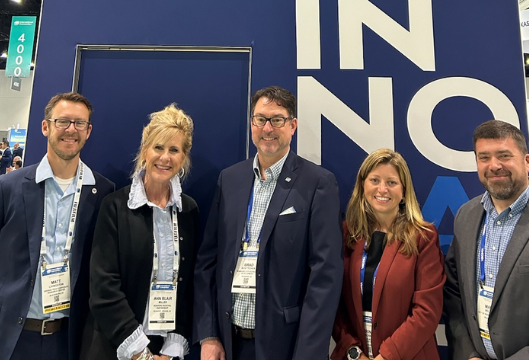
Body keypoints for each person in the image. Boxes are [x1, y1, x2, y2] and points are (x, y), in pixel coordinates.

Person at [193, 86, 343, 360]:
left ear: (292, 125)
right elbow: (208, 262)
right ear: (252, 123)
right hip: (228, 343)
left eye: (277, 119)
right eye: (260, 119)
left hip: (285, 346)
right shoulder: (230, 179)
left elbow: (325, 276)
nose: (267, 128)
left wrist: (308, 354)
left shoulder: (317, 183)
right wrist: (209, 334)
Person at [0, 92, 115, 360]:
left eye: (79, 123)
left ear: (88, 131)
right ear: (46, 127)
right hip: (5, 338)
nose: (71, 130)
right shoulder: (7, 187)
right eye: (63, 121)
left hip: (66, 341)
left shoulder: (102, 192)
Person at [444, 120, 529, 360]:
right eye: (484, 157)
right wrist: (468, 353)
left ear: (527, 161)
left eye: (504, 155)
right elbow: (454, 293)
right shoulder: (466, 217)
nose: (494, 165)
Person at [81, 104, 198, 360]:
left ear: (184, 157)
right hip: (115, 348)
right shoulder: (114, 207)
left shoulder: (189, 211)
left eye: (174, 150)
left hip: (166, 351)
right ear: (145, 151)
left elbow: (189, 286)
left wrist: (170, 351)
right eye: (158, 147)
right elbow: (104, 287)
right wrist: (140, 354)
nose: (165, 158)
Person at [332, 149, 445, 360]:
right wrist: (353, 352)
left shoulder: (423, 237)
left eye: (391, 182)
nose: (382, 189)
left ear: (403, 191)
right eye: (375, 180)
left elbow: (427, 311)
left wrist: (387, 356)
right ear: (363, 185)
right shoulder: (345, 234)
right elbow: (333, 304)